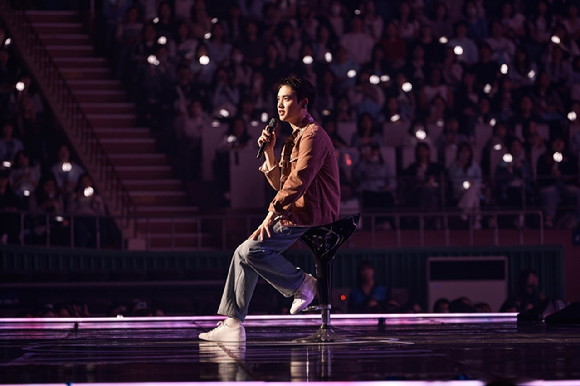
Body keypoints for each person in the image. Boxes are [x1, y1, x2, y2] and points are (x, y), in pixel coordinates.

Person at [199, 77, 340, 342]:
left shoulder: (313, 137)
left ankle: (302, 283)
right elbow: (281, 184)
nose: (280, 104)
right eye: (278, 99)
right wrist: (270, 153)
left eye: (286, 98)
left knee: (251, 249)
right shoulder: (294, 137)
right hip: (296, 210)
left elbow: (297, 185)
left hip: (312, 213)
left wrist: (270, 214)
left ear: (304, 103)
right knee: (244, 251)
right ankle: (233, 324)